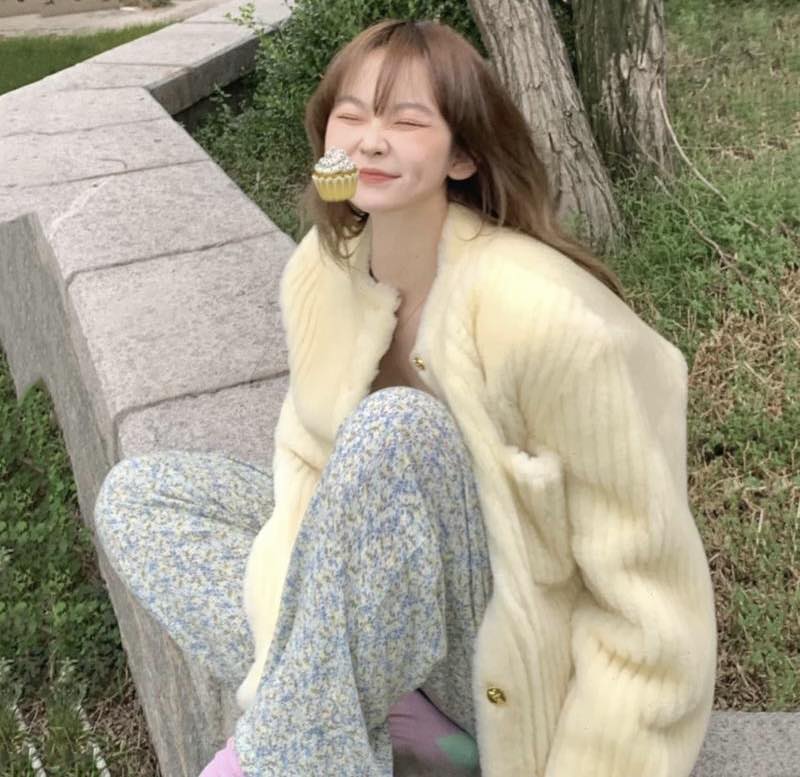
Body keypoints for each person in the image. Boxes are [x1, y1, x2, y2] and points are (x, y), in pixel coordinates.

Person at [93, 17, 718, 777]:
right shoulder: (322, 269)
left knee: (396, 426)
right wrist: (317, 644)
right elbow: (307, 470)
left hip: (503, 653)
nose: (370, 141)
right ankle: (386, 716)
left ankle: (285, 757)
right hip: (391, 603)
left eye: (407, 121)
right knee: (142, 496)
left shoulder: (547, 316)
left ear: (463, 155)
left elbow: (649, 598)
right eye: (350, 115)